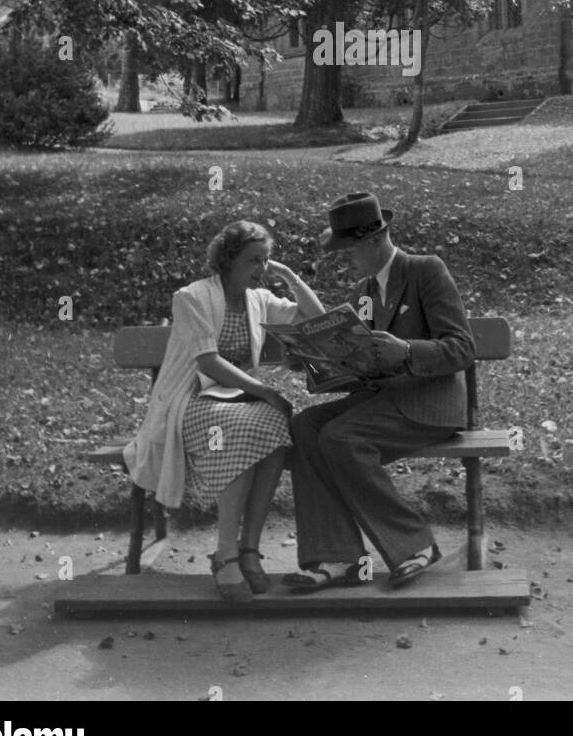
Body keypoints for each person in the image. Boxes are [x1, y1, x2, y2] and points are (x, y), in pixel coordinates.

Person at [123, 221, 323, 603]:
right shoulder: (192, 297)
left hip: (239, 400)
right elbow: (208, 361)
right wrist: (264, 389)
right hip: (192, 398)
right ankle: (225, 553)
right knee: (238, 430)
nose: (260, 269)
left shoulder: (259, 299)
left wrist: (291, 277)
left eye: (265, 260)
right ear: (228, 259)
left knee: (278, 426)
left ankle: (249, 550)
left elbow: (316, 320)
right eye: (253, 260)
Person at [285, 191, 475, 591]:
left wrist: (406, 351)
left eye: (349, 250)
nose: (345, 259)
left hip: (428, 403)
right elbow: (361, 365)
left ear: (373, 241)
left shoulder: (425, 271)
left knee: (340, 437)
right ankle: (339, 557)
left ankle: (413, 546)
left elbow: (462, 348)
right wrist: (317, 359)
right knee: (305, 427)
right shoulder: (365, 292)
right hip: (382, 401)